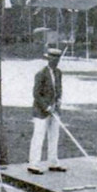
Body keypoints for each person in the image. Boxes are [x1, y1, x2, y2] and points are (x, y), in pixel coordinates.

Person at [28, 47, 66, 175]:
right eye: (53, 57)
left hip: (55, 110)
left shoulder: (58, 72)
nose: (56, 60)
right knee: (38, 137)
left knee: (54, 136)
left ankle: (53, 163)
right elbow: (36, 94)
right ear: (48, 58)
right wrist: (46, 107)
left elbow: (59, 89)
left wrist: (59, 101)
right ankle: (33, 165)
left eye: (58, 58)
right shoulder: (41, 74)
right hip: (41, 112)